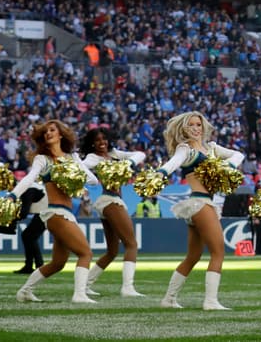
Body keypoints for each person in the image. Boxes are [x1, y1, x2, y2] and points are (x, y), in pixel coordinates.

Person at [156, 111, 245, 310]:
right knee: (218, 252)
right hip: (199, 203)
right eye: (191, 125)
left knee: (193, 256)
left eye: (198, 125)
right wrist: (160, 173)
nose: (196, 128)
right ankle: (211, 301)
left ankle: (169, 299)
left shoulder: (211, 148)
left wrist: (227, 166)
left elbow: (239, 154)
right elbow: (173, 163)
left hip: (202, 204)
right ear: (183, 129)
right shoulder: (185, 149)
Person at [12, 119, 100, 304]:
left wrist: (74, 172)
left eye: (52, 130)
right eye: (45, 132)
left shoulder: (72, 158)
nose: (48, 133)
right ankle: (79, 294)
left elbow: (93, 180)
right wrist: (13, 195)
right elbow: (29, 179)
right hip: (55, 213)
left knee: (58, 263)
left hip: (67, 213)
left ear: (61, 134)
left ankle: (25, 291)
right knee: (86, 253)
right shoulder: (42, 159)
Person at [79, 127, 147, 298]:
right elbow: (80, 166)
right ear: (92, 143)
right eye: (97, 140)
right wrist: (92, 180)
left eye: (104, 139)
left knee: (112, 251)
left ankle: (85, 285)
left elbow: (140, 154)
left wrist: (128, 163)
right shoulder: (92, 158)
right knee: (131, 244)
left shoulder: (115, 154)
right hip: (109, 200)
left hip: (109, 202)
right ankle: (127, 287)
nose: (102, 143)